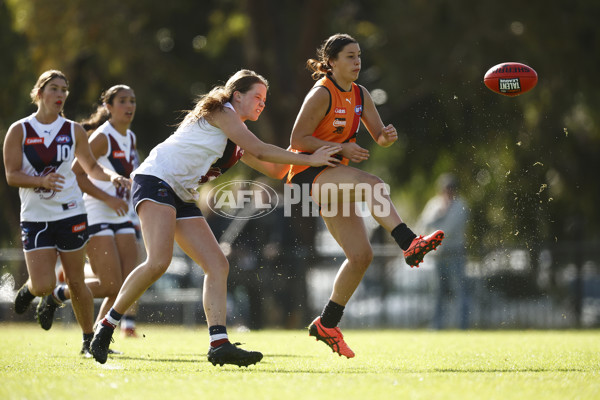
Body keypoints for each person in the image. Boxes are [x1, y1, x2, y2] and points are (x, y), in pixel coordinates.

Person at [89, 69, 342, 367]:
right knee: (159, 261)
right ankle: (106, 327)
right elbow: (262, 149)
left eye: (265, 99)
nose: (262, 104)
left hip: (181, 194)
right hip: (156, 180)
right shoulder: (222, 111)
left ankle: (219, 344)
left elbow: (274, 168)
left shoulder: (237, 137)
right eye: (257, 97)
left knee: (217, 264)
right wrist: (311, 157)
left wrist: (321, 154)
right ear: (237, 96)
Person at [287, 33, 445, 358]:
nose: (357, 61)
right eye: (349, 56)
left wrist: (386, 137)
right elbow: (297, 139)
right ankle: (408, 241)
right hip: (307, 174)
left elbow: (379, 136)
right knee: (372, 184)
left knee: (362, 256)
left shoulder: (360, 94)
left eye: (359, 56)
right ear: (331, 62)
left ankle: (327, 324)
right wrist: (342, 147)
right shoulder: (322, 93)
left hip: (334, 177)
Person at [4, 70, 130, 353]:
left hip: (71, 213)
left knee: (75, 280)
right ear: (39, 93)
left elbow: (91, 167)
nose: (60, 94)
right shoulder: (19, 130)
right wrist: (40, 181)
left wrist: (113, 178)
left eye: (64, 90)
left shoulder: (73, 130)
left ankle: (88, 341)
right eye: (54, 89)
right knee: (45, 283)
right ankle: (30, 290)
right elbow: (12, 175)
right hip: (35, 218)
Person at [46, 85, 141, 343]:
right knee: (110, 284)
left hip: (121, 214)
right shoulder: (102, 136)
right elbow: (77, 175)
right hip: (97, 212)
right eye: (122, 101)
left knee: (127, 284)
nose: (129, 106)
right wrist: (108, 198)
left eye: (132, 101)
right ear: (108, 107)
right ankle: (60, 293)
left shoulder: (130, 138)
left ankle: (99, 338)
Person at [417, 173, 470, 330]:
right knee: (437, 292)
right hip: (438, 255)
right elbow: (423, 223)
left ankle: (462, 325)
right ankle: (436, 326)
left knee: (459, 291)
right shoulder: (434, 205)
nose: (447, 192)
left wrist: (439, 221)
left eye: (450, 189)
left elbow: (449, 230)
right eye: (445, 189)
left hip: (455, 254)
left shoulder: (461, 206)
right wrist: (439, 213)